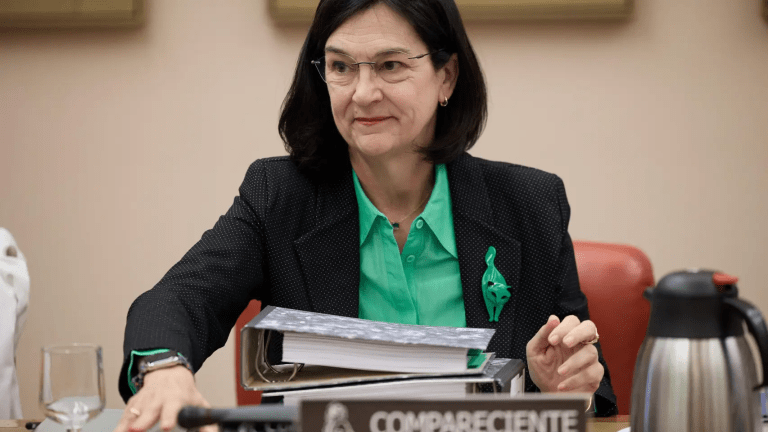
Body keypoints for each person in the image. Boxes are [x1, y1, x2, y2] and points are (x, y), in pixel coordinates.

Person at [115, 1, 618, 431]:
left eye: (390, 65)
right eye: (341, 66)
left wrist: (561, 389)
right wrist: (165, 370)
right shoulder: (280, 197)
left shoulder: (530, 204)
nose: (362, 93)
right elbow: (178, 299)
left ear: (446, 76)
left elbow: (591, 391)